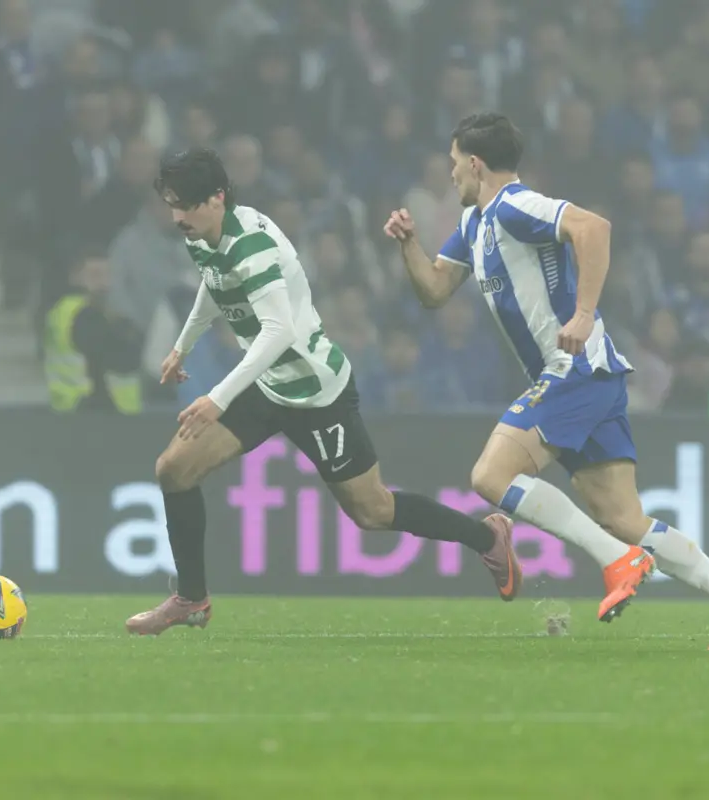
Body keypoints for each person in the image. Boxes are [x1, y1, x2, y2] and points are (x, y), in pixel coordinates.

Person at [383, 112, 709, 650]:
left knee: (490, 476)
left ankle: (617, 561)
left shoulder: (515, 205)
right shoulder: (474, 224)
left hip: (575, 368)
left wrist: (584, 312)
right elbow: (433, 290)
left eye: (454, 164)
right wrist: (408, 244)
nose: (450, 175)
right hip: (590, 375)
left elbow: (594, 228)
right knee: (622, 516)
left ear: (475, 164)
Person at [125, 148, 522, 636]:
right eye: (172, 205)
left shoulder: (253, 246)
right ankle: (191, 598)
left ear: (218, 198)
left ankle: (487, 536)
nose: (178, 216)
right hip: (268, 385)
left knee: (372, 510)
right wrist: (183, 346)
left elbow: (278, 334)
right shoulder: (203, 236)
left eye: (186, 204)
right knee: (174, 469)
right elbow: (214, 284)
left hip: (316, 392)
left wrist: (217, 398)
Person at [44, 247, 143, 414]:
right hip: (86, 409)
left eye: (107, 275)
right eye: (95, 275)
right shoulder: (79, 313)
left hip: (72, 408)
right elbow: (121, 356)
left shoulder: (68, 310)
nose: (103, 284)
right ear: (75, 277)